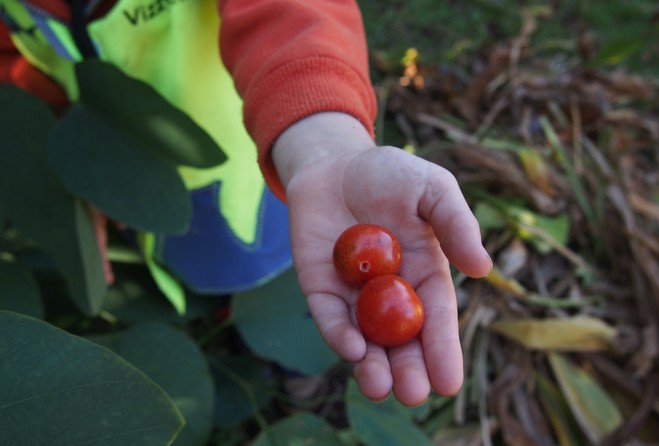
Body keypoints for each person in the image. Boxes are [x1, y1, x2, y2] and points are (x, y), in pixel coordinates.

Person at [0, 0, 492, 407]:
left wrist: (325, 140)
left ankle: (281, 354)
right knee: (208, 269)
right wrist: (81, 171)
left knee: (293, 264)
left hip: (272, 159)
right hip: (140, 182)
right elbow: (19, 65)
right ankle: (239, 326)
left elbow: (295, 11)